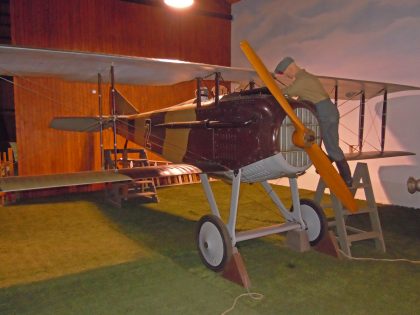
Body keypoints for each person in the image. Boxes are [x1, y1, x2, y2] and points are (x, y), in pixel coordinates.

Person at [274, 57, 353, 187]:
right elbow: (303, 96)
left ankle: (338, 174)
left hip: (323, 112)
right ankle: (341, 174)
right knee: (332, 145)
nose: (288, 76)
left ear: (291, 68)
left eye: (287, 73)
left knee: (311, 141)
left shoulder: (302, 80)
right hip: (330, 110)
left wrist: (271, 91)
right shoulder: (308, 77)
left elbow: (287, 92)